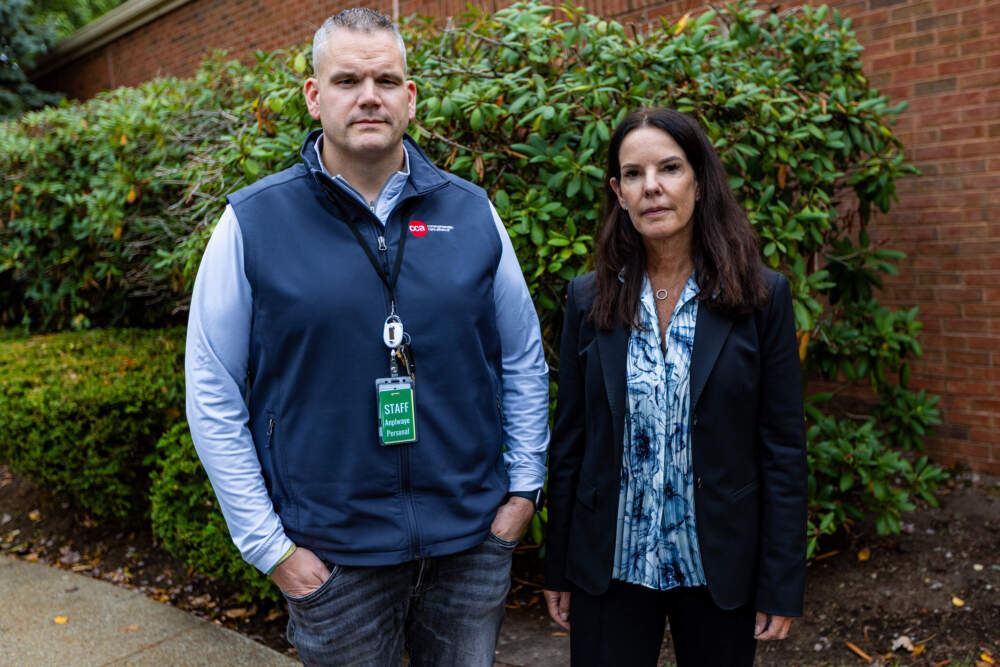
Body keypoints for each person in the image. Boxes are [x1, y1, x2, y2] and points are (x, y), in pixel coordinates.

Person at [185, 8, 549, 665]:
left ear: (410, 96)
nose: (369, 96)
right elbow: (211, 392)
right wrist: (272, 550)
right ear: (314, 95)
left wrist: (522, 493)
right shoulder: (251, 222)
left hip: (469, 545)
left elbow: (522, 356)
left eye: (386, 79)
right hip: (332, 559)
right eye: (348, 79)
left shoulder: (472, 213)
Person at [542, 107, 807, 666]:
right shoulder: (589, 299)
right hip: (610, 567)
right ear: (618, 191)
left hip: (718, 566)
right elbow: (570, 442)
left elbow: (782, 448)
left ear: (700, 180)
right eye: (633, 174)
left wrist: (780, 580)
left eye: (670, 168)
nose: (652, 188)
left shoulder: (760, 296)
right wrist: (558, 564)